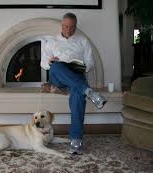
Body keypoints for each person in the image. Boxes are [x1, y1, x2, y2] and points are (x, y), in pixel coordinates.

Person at [40, 13, 107, 155]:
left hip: (76, 75)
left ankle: (76, 140)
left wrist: (81, 66)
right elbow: (43, 64)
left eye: (72, 27)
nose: (68, 30)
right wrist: (51, 61)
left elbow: (90, 63)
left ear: (76, 26)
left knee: (77, 95)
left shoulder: (83, 40)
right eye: (66, 27)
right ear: (61, 25)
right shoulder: (52, 41)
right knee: (56, 66)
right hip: (58, 76)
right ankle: (90, 92)